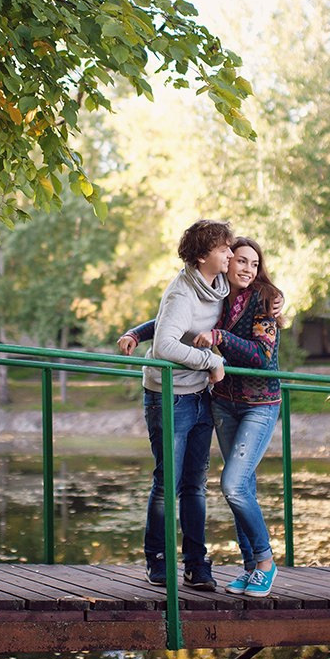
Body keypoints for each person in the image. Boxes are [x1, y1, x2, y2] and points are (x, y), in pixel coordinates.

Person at [119, 236, 283, 597]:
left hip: (257, 402)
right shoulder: (219, 291)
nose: (244, 267)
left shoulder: (265, 299)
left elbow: (259, 356)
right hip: (221, 401)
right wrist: (137, 332)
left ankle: (263, 563)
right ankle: (247, 567)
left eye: (253, 264)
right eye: (238, 259)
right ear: (221, 260)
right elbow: (174, 321)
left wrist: (219, 337)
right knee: (230, 486)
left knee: (233, 485)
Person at [132, 219, 233, 591]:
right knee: (167, 483)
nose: (229, 254)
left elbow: (164, 325)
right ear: (204, 254)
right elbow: (165, 346)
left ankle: (195, 563)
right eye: (223, 248)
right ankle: (156, 559)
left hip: (200, 395)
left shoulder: (217, 285)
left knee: (195, 485)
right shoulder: (181, 292)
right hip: (169, 396)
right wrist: (212, 361)